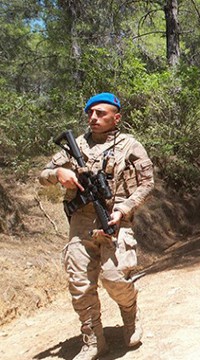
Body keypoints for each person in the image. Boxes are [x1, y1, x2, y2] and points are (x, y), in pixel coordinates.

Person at [39, 92, 154, 359]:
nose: (93, 117)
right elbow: (43, 175)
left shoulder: (130, 145)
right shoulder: (75, 146)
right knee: (80, 284)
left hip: (115, 219)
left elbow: (147, 183)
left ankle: (130, 315)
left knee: (115, 279)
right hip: (81, 223)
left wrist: (124, 208)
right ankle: (92, 341)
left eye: (100, 113)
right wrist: (58, 174)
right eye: (90, 113)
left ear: (117, 117)